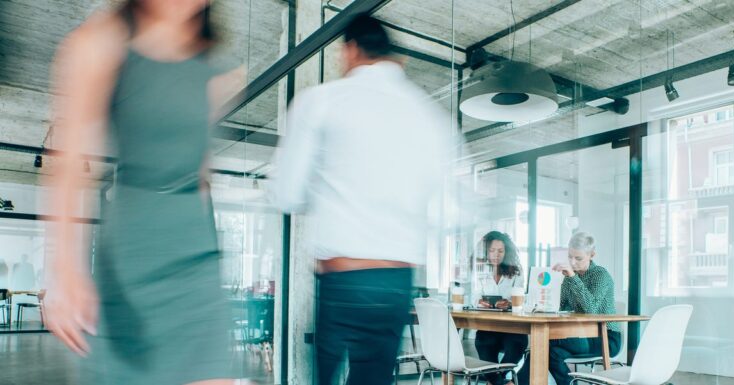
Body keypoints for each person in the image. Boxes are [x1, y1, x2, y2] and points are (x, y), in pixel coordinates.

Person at [44, 1, 243, 384]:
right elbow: (69, 163)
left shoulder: (215, 66)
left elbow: (201, 173)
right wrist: (66, 269)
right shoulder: (99, 42)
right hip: (134, 254)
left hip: (196, 257)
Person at [272, 15, 454, 385]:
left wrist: (327, 188)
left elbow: (285, 193)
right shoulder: (428, 114)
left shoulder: (322, 100)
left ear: (351, 50)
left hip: (344, 278)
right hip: (397, 280)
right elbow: (452, 207)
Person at [517, 231, 620, 385]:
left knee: (543, 342)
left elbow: (591, 310)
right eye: (570, 257)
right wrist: (545, 295)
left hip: (604, 336)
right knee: (550, 351)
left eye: (578, 258)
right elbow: (561, 307)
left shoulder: (600, 275)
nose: (572, 262)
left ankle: (516, 382)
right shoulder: (569, 277)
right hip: (578, 334)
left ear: (592, 254)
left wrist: (573, 277)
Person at [472, 231, 527, 385]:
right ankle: (504, 383)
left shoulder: (516, 271)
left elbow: (520, 298)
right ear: (486, 251)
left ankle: (496, 381)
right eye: (492, 250)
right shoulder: (480, 270)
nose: (496, 255)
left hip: (512, 328)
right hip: (488, 328)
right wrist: (480, 302)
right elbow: (475, 296)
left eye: (500, 251)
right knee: (482, 342)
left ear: (506, 252)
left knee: (518, 343)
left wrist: (509, 304)